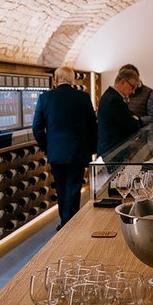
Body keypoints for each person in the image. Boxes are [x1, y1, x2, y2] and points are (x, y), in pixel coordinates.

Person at [32, 67, 97, 229]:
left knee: (60, 188)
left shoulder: (45, 98)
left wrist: (47, 146)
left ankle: (64, 221)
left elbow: (37, 128)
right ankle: (70, 224)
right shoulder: (83, 97)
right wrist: (92, 148)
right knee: (74, 188)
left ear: (56, 79)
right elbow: (93, 126)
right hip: (77, 151)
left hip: (56, 152)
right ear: (72, 79)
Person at [97, 66, 143, 158]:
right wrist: (135, 120)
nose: (133, 91)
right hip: (113, 151)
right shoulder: (114, 100)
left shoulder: (109, 95)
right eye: (132, 87)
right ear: (123, 82)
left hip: (110, 150)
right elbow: (132, 126)